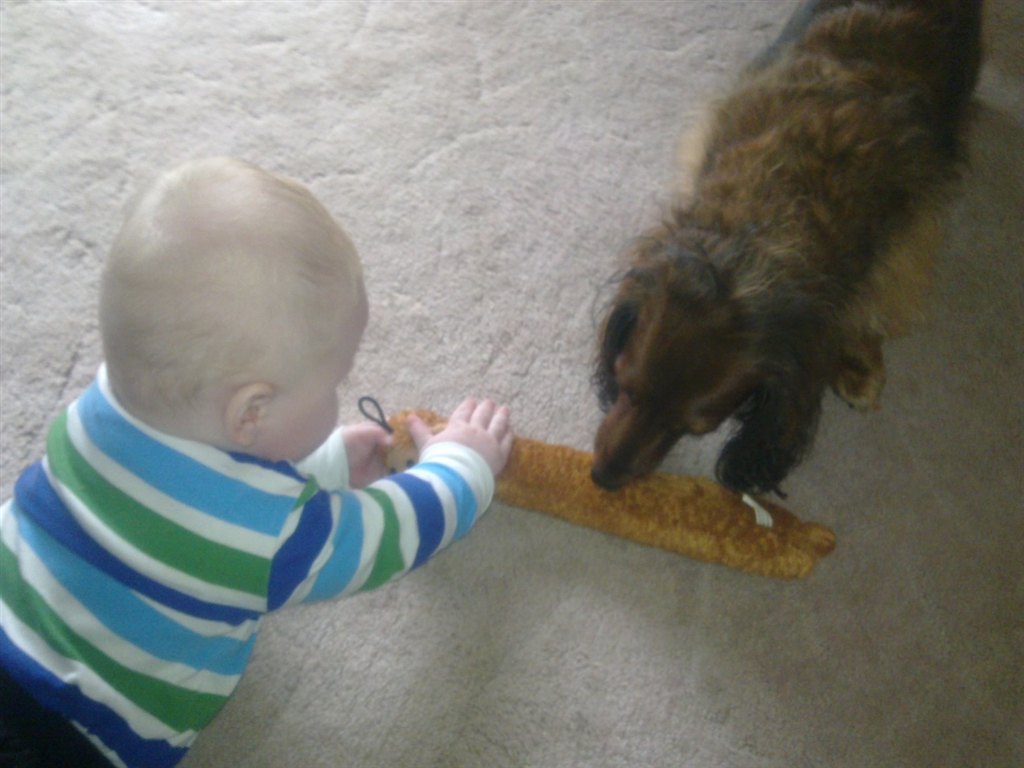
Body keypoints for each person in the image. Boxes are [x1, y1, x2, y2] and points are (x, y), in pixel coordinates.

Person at [0, 157, 514, 768]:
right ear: (251, 413)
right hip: (67, 740)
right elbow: (387, 536)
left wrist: (322, 464)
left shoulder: (95, 409)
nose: (338, 396)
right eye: (332, 385)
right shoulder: (270, 540)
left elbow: (206, 484)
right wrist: (463, 466)